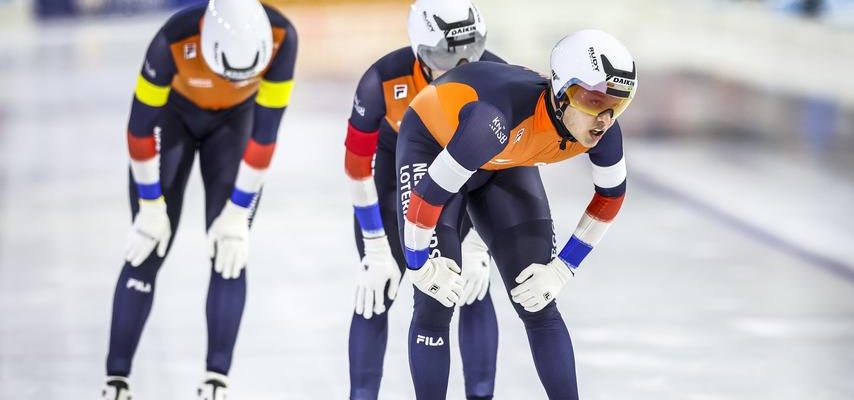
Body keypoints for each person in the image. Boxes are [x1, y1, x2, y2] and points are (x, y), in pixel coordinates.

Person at [395, 29, 636, 399]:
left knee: (538, 300)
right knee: (435, 299)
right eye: (592, 101)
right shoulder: (491, 123)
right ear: (561, 92)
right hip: (436, 145)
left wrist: (563, 268)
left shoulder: (603, 131)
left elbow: (611, 198)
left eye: (616, 105)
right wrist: (418, 265)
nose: (603, 119)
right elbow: (426, 200)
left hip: (506, 158)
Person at [101, 0, 297, 398]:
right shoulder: (172, 40)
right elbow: (139, 132)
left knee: (230, 248)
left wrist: (239, 210)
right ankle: (116, 381)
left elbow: (265, 136)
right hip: (169, 120)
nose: (231, 79)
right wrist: (151, 207)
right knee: (147, 247)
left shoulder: (282, 37)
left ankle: (215, 381)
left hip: (235, 125)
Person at [344, 1, 503, 399]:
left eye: (472, 51)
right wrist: (376, 246)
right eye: (446, 56)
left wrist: (479, 243)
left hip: (469, 187)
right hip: (396, 187)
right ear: (419, 51)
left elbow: (512, 163)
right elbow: (357, 167)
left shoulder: (499, 76)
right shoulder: (381, 79)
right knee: (375, 290)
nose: (463, 66)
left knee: (470, 286)